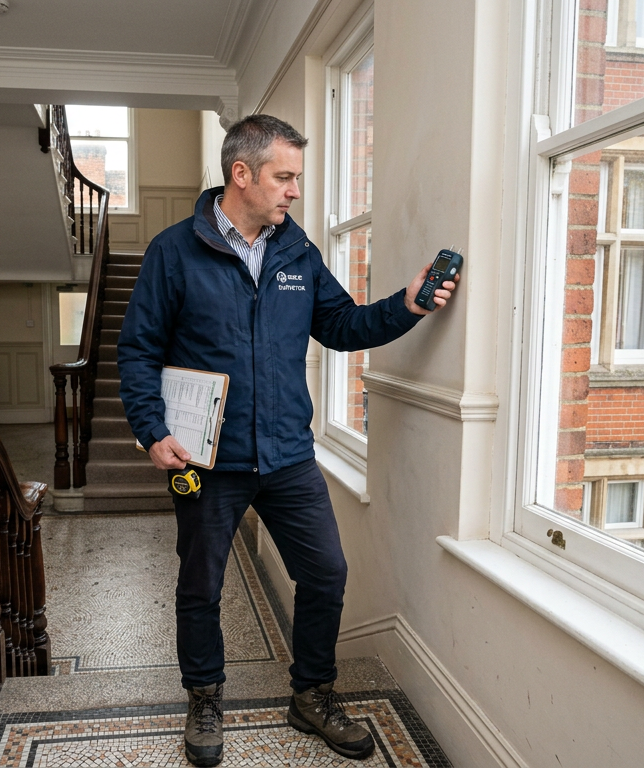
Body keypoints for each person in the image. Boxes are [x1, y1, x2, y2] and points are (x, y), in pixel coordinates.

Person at [117, 114, 456, 767]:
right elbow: (138, 351)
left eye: (296, 177)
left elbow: (343, 325)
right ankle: (205, 697)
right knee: (201, 586)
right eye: (285, 176)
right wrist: (150, 429)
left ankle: (312, 694)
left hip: (287, 455)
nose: (294, 190)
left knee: (326, 572)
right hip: (209, 460)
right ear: (241, 174)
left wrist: (407, 303)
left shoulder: (297, 252)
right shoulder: (173, 251)